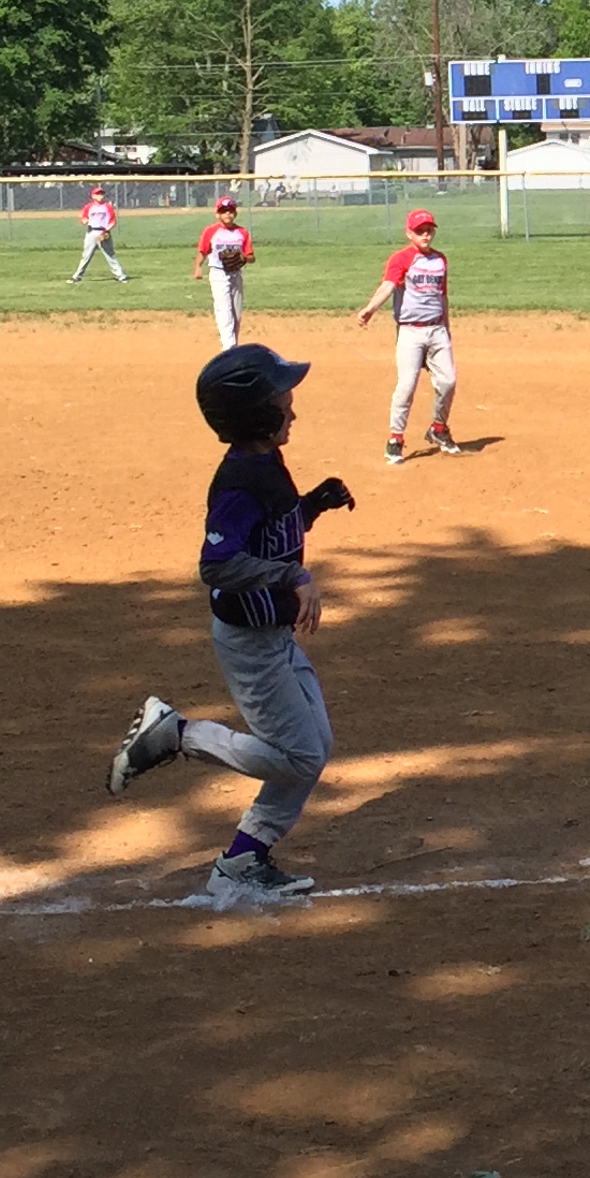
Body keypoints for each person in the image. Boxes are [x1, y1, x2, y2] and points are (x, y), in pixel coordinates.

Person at [107, 345, 356, 900]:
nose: (293, 413)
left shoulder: (266, 465)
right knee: (300, 754)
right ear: (257, 415)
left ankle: (246, 856)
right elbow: (217, 564)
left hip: (275, 636)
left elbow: (272, 530)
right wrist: (292, 576)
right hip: (250, 643)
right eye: (283, 405)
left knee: (313, 747)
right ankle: (176, 735)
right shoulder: (239, 482)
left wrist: (313, 504)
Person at [354, 207, 464, 465]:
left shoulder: (440, 260)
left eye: (429, 230)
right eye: (419, 231)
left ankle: (438, 428)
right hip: (410, 331)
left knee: (448, 382)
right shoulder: (401, 259)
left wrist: (447, 327)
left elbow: (442, 296)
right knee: (407, 386)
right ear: (409, 233)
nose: (425, 235)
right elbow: (388, 286)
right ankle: (395, 439)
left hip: (436, 329)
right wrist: (370, 309)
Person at [193, 195, 255, 350]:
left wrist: (243, 257)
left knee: (236, 312)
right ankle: (228, 346)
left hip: (236, 274)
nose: (227, 214)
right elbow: (203, 251)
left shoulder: (242, 232)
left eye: (230, 211)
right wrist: (198, 267)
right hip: (218, 274)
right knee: (223, 309)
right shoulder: (211, 231)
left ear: (235, 213)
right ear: (217, 214)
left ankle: (233, 344)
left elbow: (251, 257)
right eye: (224, 211)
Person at [70, 187, 127, 285]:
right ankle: (77, 277)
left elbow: (113, 221)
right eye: (98, 194)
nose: (100, 196)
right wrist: (84, 220)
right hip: (91, 232)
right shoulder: (89, 207)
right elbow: (82, 216)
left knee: (110, 255)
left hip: (103, 232)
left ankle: (121, 276)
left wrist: (106, 231)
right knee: (86, 256)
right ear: (93, 196)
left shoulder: (107, 207)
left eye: (101, 194)